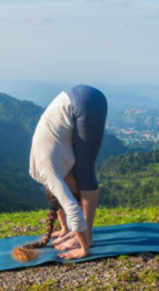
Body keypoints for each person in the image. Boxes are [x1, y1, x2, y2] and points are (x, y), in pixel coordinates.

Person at [27, 84, 107, 260]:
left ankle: (88, 238)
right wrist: (64, 229)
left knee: (84, 173)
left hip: (84, 103)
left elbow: (69, 207)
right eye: (79, 195)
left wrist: (84, 250)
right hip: (75, 97)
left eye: (75, 193)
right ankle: (81, 234)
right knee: (80, 174)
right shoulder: (44, 175)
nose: (78, 191)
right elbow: (58, 200)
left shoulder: (50, 173)